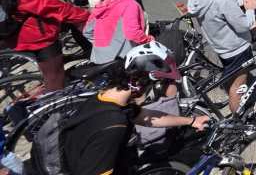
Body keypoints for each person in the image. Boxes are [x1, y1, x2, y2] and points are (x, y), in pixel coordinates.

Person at [59, 44, 210, 175]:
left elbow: (146, 117)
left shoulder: (105, 99)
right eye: (153, 85)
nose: (151, 91)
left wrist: (192, 120)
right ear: (138, 83)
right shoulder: (114, 125)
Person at [0, 0, 90, 92]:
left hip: (17, 36)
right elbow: (59, 10)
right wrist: (87, 14)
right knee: (55, 78)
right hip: (40, 40)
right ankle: (53, 108)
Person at [188, 0, 256, 113]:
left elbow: (219, 10)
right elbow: (244, 25)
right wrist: (250, 8)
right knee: (239, 85)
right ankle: (240, 120)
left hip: (220, 45)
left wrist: (242, 1)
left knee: (232, 78)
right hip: (236, 48)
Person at [84, 0, 152, 63]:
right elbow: (133, 33)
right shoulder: (129, 5)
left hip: (99, 57)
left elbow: (87, 31)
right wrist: (149, 40)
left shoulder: (102, 4)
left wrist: (103, 44)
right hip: (122, 59)